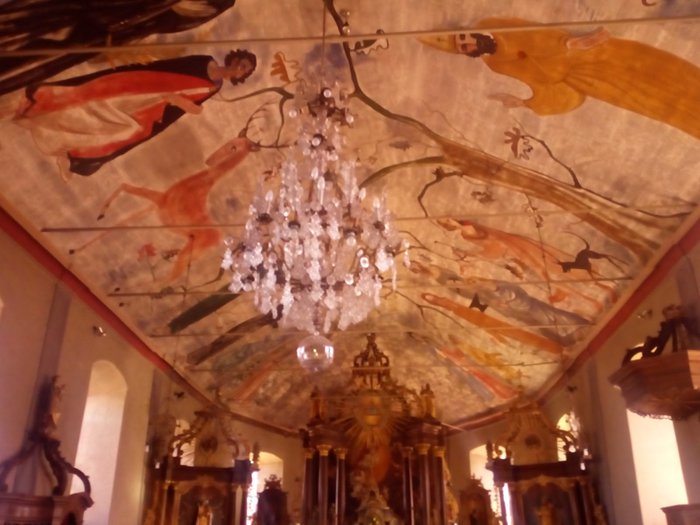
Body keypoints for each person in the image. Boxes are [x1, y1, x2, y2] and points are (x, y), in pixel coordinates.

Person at [420, 18, 700, 139]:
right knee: (648, 102)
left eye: (464, 37)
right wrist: (525, 103)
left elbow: (545, 39)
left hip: (593, 57)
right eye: (463, 47)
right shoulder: (495, 64)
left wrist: (572, 44)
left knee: (663, 72)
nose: (468, 43)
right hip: (585, 79)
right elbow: (548, 85)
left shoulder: (501, 27)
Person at [11, 49, 257, 178]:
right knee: (92, 98)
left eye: (244, 70)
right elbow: (166, 68)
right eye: (242, 62)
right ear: (235, 57)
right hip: (143, 85)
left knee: (123, 131)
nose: (239, 68)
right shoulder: (205, 62)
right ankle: (38, 109)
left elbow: (194, 108)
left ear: (241, 76)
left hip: (155, 106)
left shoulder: (215, 87)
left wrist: (175, 101)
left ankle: (71, 150)